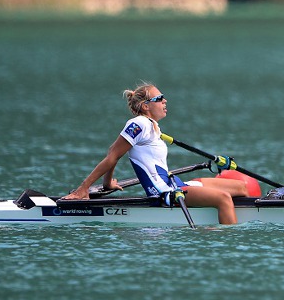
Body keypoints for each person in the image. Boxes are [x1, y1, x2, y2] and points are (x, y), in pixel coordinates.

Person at [61, 82, 247, 224]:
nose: (165, 101)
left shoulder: (152, 127)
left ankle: (230, 217)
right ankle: (228, 241)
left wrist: (108, 183)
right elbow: (113, 155)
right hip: (164, 192)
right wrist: (83, 189)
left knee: (241, 188)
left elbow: (114, 152)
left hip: (174, 183)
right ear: (145, 106)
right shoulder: (139, 124)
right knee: (223, 198)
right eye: (159, 99)